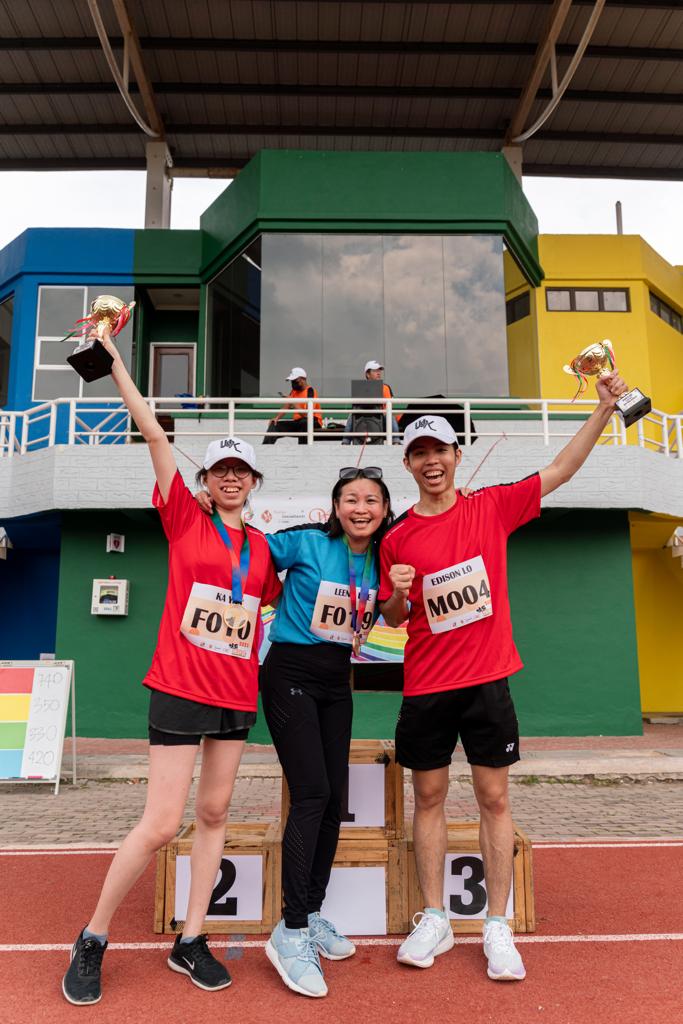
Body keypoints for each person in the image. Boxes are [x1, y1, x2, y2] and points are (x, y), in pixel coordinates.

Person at [379, 369, 629, 982]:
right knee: (429, 798)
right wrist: (396, 593)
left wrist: (601, 409)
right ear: (407, 463)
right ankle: (434, 916)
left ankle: (498, 927)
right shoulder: (397, 536)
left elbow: (562, 469)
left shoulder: (492, 505)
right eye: (419, 453)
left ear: (456, 456)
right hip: (427, 685)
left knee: (494, 799)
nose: (431, 461)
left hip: (488, 682)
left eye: (439, 450)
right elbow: (392, 617)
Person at [61, 328, 281, 1005]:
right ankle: (93, 938)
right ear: (206, 481)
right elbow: (156, 437)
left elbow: (270, 616)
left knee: (213, 813)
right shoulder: (184, 519)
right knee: (161, 824)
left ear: (252, 481)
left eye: (241, 470)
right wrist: (120, 367)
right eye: (220, 470)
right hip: (179, 688)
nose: (231, 478)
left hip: (235, 696)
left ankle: (190, 940)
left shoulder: (267, 550)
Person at [196, 466, 394, 997]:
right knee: (311, 794)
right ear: (334, 507)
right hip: (289, 672)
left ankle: (310, 911)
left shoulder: (382, 557)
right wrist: (211, 516)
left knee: (334, 801)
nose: (360, 508)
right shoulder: (304, 542)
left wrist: (396, 591)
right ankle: (291, 931)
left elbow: (392, 613)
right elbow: (250, 550)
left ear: (382, 510)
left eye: (371, 500)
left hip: (337, 678)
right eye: (350, 498)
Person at [342, 359, 401, 444]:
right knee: (352, 415)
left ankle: (396, 441)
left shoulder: (385, 387)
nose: (379, 373)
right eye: (375, 371)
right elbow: (355, 406)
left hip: (380, 416)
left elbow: (389, 407)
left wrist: (384, 411)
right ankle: (345, 442)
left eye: (379, 370)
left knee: (390, 415)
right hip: (361, 417)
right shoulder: (359, 387)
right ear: (367, 374)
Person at [263, 367, 323, 444]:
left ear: (302, 379)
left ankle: (303, 450)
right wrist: (276, 418)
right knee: (274, 425)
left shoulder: (310, 391)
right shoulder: (294, 391)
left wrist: (292, 401)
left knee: (305, 422)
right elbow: (287, 405)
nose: (293, 383)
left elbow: (306, 414)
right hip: (299, 422)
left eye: (295, 381)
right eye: (291, 381)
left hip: (313, 422)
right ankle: (266, 448)